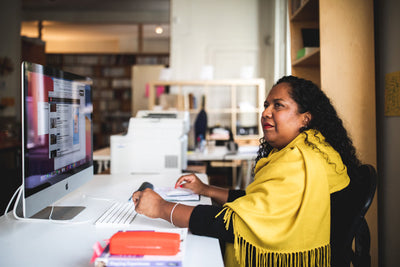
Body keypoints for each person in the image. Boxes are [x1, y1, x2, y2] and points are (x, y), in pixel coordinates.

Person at [132, 75, 361, 267]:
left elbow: (233, 224)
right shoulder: (312, 148)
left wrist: (162, 208)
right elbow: (259, 205)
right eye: (266, 105)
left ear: (305, 119)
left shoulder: (298, 162)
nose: (266, 113)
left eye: (278, 105)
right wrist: (205, 189)